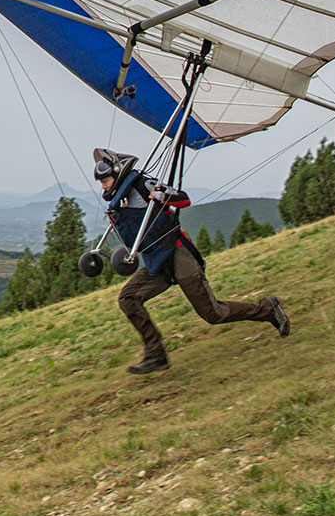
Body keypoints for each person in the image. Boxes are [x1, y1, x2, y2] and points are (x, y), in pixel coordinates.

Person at [98, 148, 289, 374]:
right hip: (156, 261)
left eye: (105, 180)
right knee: (128, 298)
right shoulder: (122, 200)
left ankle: (268, 309)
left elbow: (183, 199)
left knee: (212, 313)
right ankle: (156, 354)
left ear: (119, 173)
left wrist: (162, 196)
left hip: (178, 253)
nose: (104, 186)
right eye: (101, 182)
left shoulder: (142, 184)